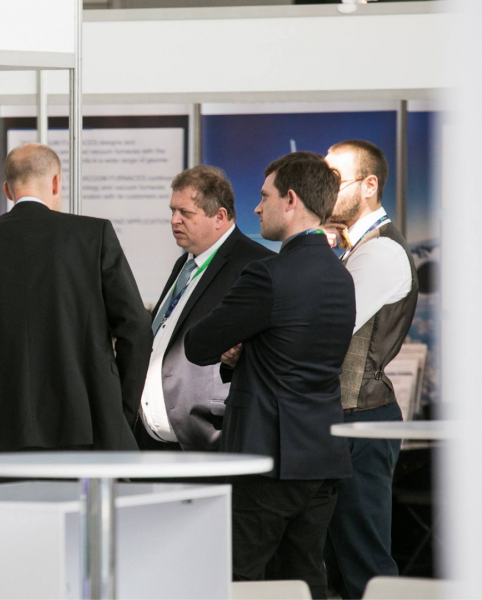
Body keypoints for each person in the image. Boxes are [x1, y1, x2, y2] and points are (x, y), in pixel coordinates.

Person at [184, 151, 354, 600]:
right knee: (305, 579)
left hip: (266, 456)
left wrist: (235, 350)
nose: (257, 208)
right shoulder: (342, 276)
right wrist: (245, 355)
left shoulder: (267, 275)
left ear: (290, 200)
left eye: (264, 197)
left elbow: (198, 344)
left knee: (238, 579)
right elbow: (297, 353)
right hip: (321, 455)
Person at [0, 143, 152, 471]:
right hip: (86, 433)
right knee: (81, 508)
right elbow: (137, 329)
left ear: (7, 190)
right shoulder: (93, 235)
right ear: (56, 182)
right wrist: (117, 411)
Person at [323, 140, 418, 600]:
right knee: (338, 562)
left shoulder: (381, 251)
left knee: (364, 563)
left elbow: (326, 325)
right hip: (347, 419)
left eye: (334, 180)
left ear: (369, 186)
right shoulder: (353, 246)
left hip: (361, 419)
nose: (323, 189)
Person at [136, 166, 273, 451]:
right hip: (156, 441)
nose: (174, 220)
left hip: (209, 437)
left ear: (220, 217)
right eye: (173, 210)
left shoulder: (255, 265)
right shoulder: (186, 263)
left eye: (185, 213)